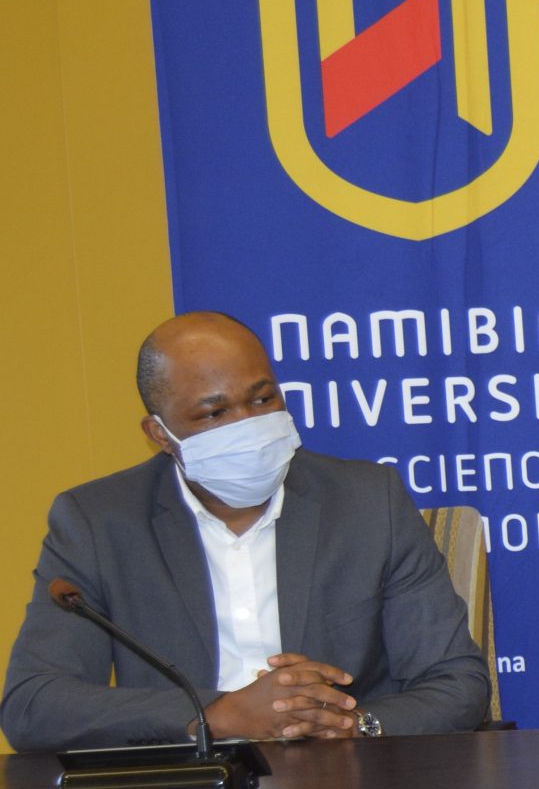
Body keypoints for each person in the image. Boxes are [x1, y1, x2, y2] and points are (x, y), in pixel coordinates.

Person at [1, 312, 490, 752]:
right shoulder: (98, 521)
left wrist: (354, 724)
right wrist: (215, 716)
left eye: (262, 399)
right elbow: (33, 705)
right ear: (160, 435)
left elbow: (456, 682)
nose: (249, 425)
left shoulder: (368, 501)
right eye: (215, 414)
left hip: (346, 783)